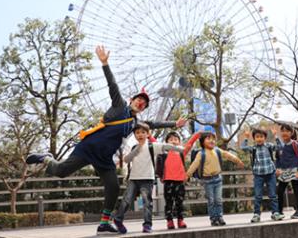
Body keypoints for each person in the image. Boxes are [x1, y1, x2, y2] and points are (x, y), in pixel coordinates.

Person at [26, 45, 187, 235]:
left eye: (143, 104)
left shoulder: (136, 122)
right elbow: (113, 85)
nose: (140, 103)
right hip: (89, 147)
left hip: (105, 157)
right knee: (61, 171)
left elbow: (153, 123)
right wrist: (105, 64)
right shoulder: (119, 106)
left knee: (113, 186)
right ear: (132, 99)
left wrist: (173, 124)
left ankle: (104, 223)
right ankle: (46, 158)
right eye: (138, 99)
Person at [113, 123, 184, 234]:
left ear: (147, 134)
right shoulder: (134, 147)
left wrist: (179, 149)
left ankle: (147, 224)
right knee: (126, 200)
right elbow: (126, 160)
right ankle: (118, 219)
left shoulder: (152, 146)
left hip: (147, 179)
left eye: (143, 132)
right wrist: (137, 149)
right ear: (135, 135)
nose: (140, 134)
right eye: (137, 133)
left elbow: (166, 146)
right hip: (133, 179)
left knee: (147, 202)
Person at [186, 132, 245, 226]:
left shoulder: (217, 150)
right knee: (211, 200)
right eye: (208, 138)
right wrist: (187, 175)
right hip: (207, 180)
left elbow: (227, 154)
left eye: (213, 139)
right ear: (202, 141)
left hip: (218, 179)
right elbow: (194, 164)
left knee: (218, 200)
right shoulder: (201, 153)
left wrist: (237, 160)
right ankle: (213, 218)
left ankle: (220, 217)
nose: (212, 141)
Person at [241, 129, 284, 223]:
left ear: (265, 138)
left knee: (273, 195)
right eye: (257, 137)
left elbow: (281, 146)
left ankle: (275, 213)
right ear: (254, 138)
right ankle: (256, 214)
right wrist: (246, 137)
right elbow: (243, 147)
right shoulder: (253, 148)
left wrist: (276, 136)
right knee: (258, 195)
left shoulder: (268, 146)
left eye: (261, 137)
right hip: (258, 175)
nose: (259, 139)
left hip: (270, 173)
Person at [160, 131, 201, 230]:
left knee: (180, 202)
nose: (173, 141)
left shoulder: (182, 152)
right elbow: (154, 142)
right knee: (168, 202)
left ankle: (180, 220)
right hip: (168, 180)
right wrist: (148, 135)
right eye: (170, 139)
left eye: (176, 139)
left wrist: (197, 135)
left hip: (180, 181)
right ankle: (169, 221)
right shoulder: (163, 152)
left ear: (179, 142)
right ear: (166, 143)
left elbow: (190, 144)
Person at [274, 123, 298, 219]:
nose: (284, 133)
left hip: (294, 170)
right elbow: (277, 158)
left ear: (291, 133)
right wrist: (277, 168)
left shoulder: (295, 144)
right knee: (280, 191)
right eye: (282, 131)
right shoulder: (279, 146)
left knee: (296, 190)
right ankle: (279, 212)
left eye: (287, 131)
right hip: (283, 171)